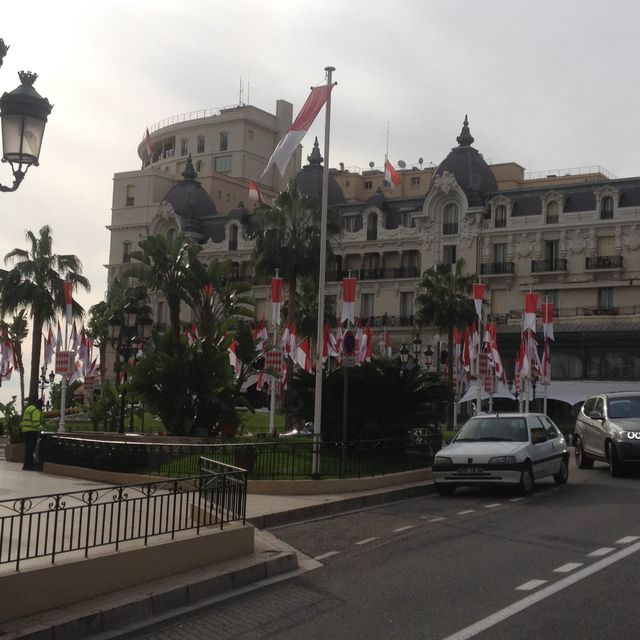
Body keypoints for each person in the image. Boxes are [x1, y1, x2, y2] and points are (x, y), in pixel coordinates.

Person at [21, 398, 44, 470]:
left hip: (25, 431)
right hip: (32, 432)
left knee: (27, 449)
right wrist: (41, 428)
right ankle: (29, 466)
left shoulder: (29, 408)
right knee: (31, 449)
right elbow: (36, 423)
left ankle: (26, 465)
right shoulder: (35, 411)